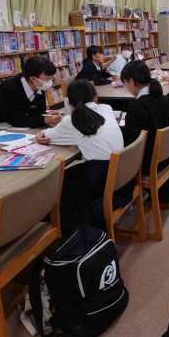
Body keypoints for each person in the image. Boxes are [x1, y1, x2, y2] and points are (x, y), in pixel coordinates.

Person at [36, 79, 124, 234]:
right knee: (69, 177)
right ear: (95, 97)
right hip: (119, 172)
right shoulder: (106, 108)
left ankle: (59, 230)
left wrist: (43, 133)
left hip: (98, 177)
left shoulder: (72, 119)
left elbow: (46, 136)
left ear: (69, 102)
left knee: (57, 182)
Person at [121, 60, 169, 202]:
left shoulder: (136, 106)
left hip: (150, 164)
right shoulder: (162, 98)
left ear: (132, 81)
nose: (126, 87)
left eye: (125, 83)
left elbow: (131, 144)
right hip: (166, 156)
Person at [0, 56, 61, 128]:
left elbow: (38, 113)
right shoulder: (9, 88)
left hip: (4, 121)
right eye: (47, 79)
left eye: (52, 79)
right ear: (33, 78)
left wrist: (49, 115)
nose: (50, 82)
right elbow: (15, 119)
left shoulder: (39, 86)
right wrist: (44, 120)